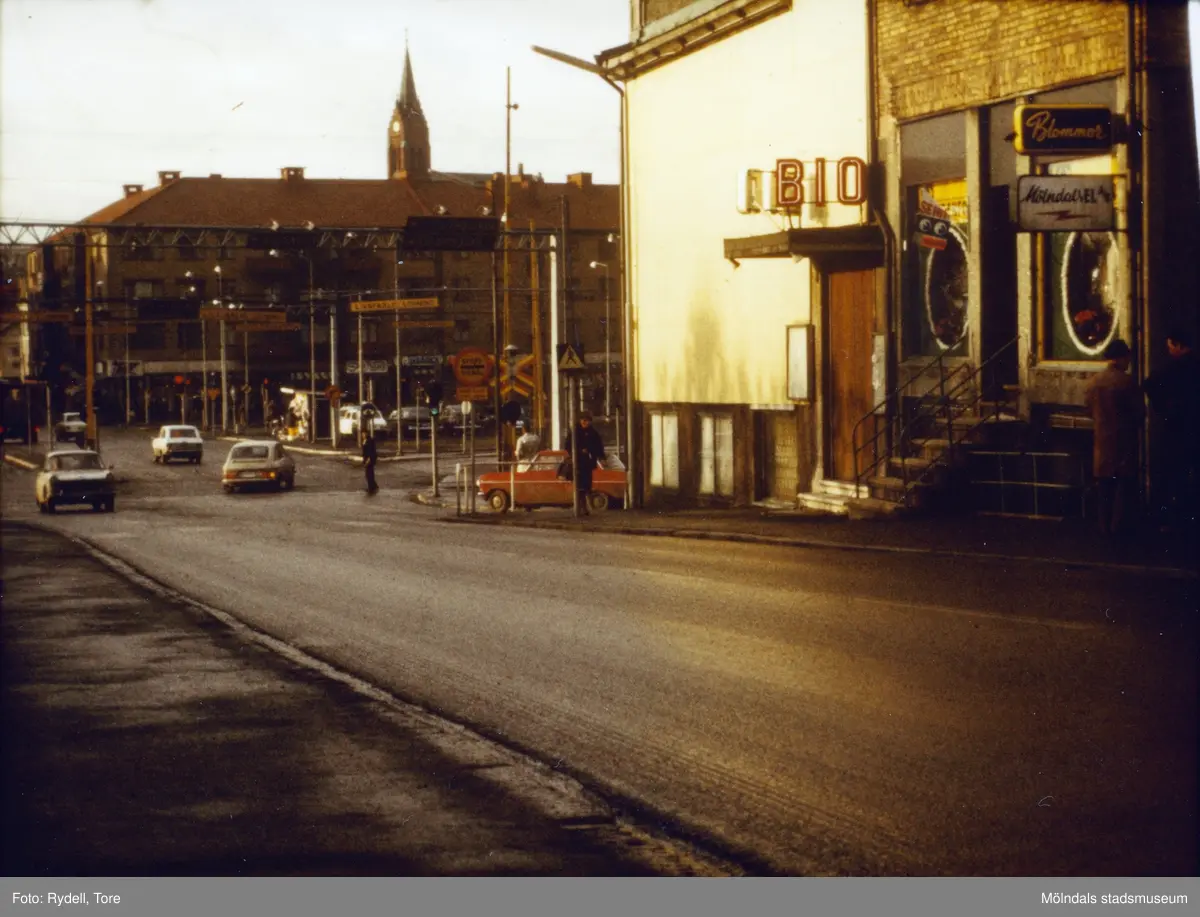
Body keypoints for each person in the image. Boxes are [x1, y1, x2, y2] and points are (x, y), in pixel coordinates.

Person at [1084, 339, 1143, 536]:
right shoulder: (1127, 382)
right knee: (1123, 486)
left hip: (1102, 441)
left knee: (1105, 487)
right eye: (1127, 357)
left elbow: (1089, 410)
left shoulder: (1093, 382)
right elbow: (1139, 413)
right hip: (1124, 440)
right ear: (1121, 358)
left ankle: (1103, 527)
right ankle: (1118, 527)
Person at [1143, 327, 1199, 532]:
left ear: (1178, 346)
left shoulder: (1171, 370)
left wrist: (1163, 409)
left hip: (1176, 428)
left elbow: (1148, 385)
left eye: (1170, 346)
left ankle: (1175, 520)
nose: (1169, 351)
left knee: (1175, 475)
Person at [563, 411, 606, 514]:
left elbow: (599, 446)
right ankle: (582, 507)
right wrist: (579, 451)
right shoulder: (575, 432)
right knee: (580, 486)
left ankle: (585, 506)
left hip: (588, 463)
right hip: (578, 463)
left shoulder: (593, 433)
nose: (584, 422)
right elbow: (568, 446)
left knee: (587, 486)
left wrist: (600, 456)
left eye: (587, 420)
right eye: (583, 420)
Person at [361, 430, 379, 495]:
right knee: (369, 474)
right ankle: (374, 486)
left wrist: (368, 460)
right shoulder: (364, 440)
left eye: (364, 434)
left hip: (370, 459)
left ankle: (371, 488)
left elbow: (371, 451)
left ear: (367, 433)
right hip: (366, 458)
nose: (363, 435)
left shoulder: (370, 440)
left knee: (369, 474)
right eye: (362, 434)